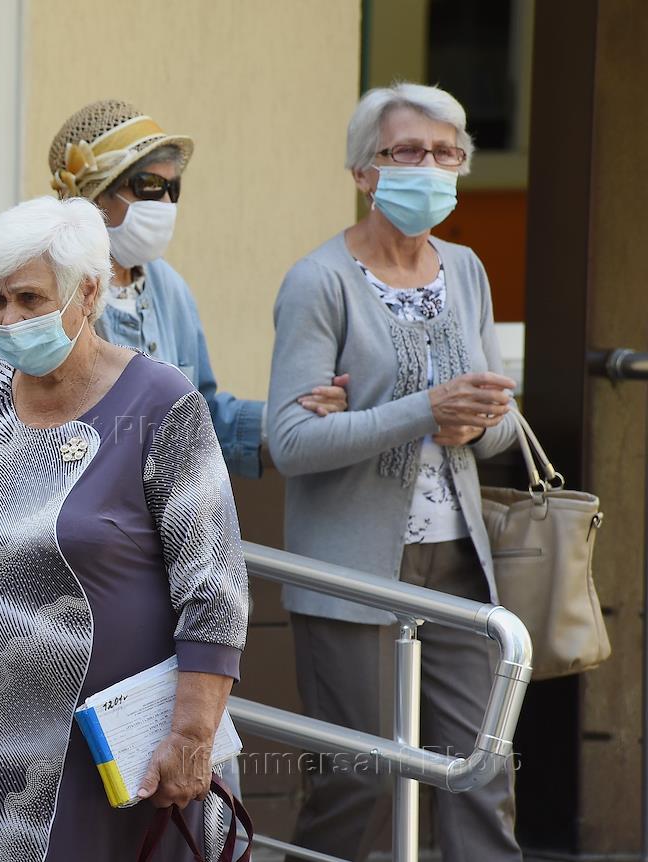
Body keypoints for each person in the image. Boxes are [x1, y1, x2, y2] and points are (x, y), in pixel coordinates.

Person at [0, 196, 251, 861]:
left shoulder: (159, 401)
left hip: (116, 753)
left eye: (29, 299)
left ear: (88, 292)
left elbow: (215, 586)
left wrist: (191, 734)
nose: (9, 320)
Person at [265, 82, 522, 861]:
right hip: (351, 567)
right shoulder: (320, 281)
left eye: (446, 152)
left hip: (458, 560)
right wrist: (424, 408)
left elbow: (502, 427)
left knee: (481, 772)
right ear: (363, 171)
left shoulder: (466, 269)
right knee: (361, 778)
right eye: (407, 151)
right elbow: (290, 442)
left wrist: (475, 421)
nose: (429, 166)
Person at [47, 99, 350, 479]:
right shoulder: (49, 290)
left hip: (168, 507)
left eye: (173, 188)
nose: (166, 202)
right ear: (94, 194)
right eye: (149, 186)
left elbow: (200, 416)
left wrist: (296, 412)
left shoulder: (169, 286)